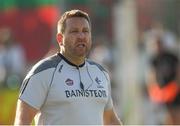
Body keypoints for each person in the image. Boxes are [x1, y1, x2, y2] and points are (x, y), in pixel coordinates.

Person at [14, 9, 122, 125]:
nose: (81, 36)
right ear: (60, 39)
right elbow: (22, 121)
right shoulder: (43, 72)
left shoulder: (101, 73)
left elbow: (110, 120)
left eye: (85, 31)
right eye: (74, 31)